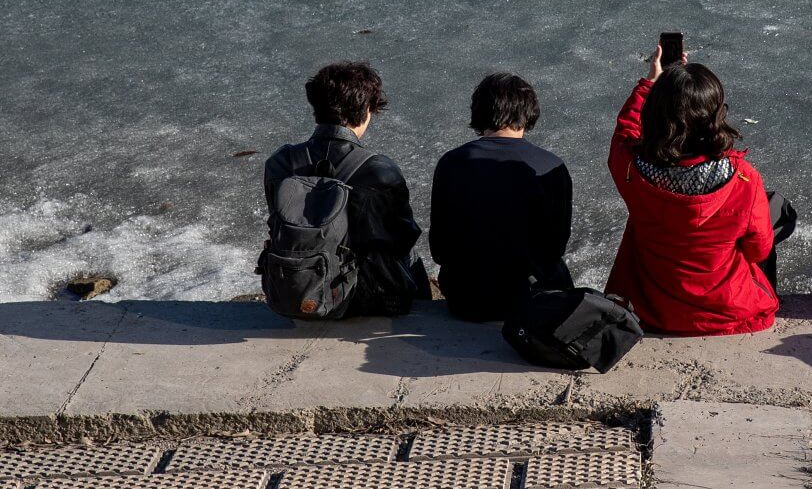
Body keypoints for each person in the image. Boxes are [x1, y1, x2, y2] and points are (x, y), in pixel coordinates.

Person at [604, 43, 780, 336]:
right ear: (715, 115)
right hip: (725, 312)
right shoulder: (743, 180)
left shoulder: (633, 169)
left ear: (655, 113)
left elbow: (624, 133)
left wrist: (650, 84)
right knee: (778, 211)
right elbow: (758, 249)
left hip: (650, 309)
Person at [263, 61, 429, 316]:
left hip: (294, 290)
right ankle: (424, 316)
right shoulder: (379, 170)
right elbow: (403, 236)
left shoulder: (281, 162)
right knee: (411, 255)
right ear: (367, 109)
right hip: (359, 297)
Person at [430, 73, 573, 322]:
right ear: (529, 112)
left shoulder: (451, 162)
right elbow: (555, 246)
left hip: (466, 299)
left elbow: (440, 249)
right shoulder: (551, 166)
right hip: (531, 300)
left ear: (479, 111)